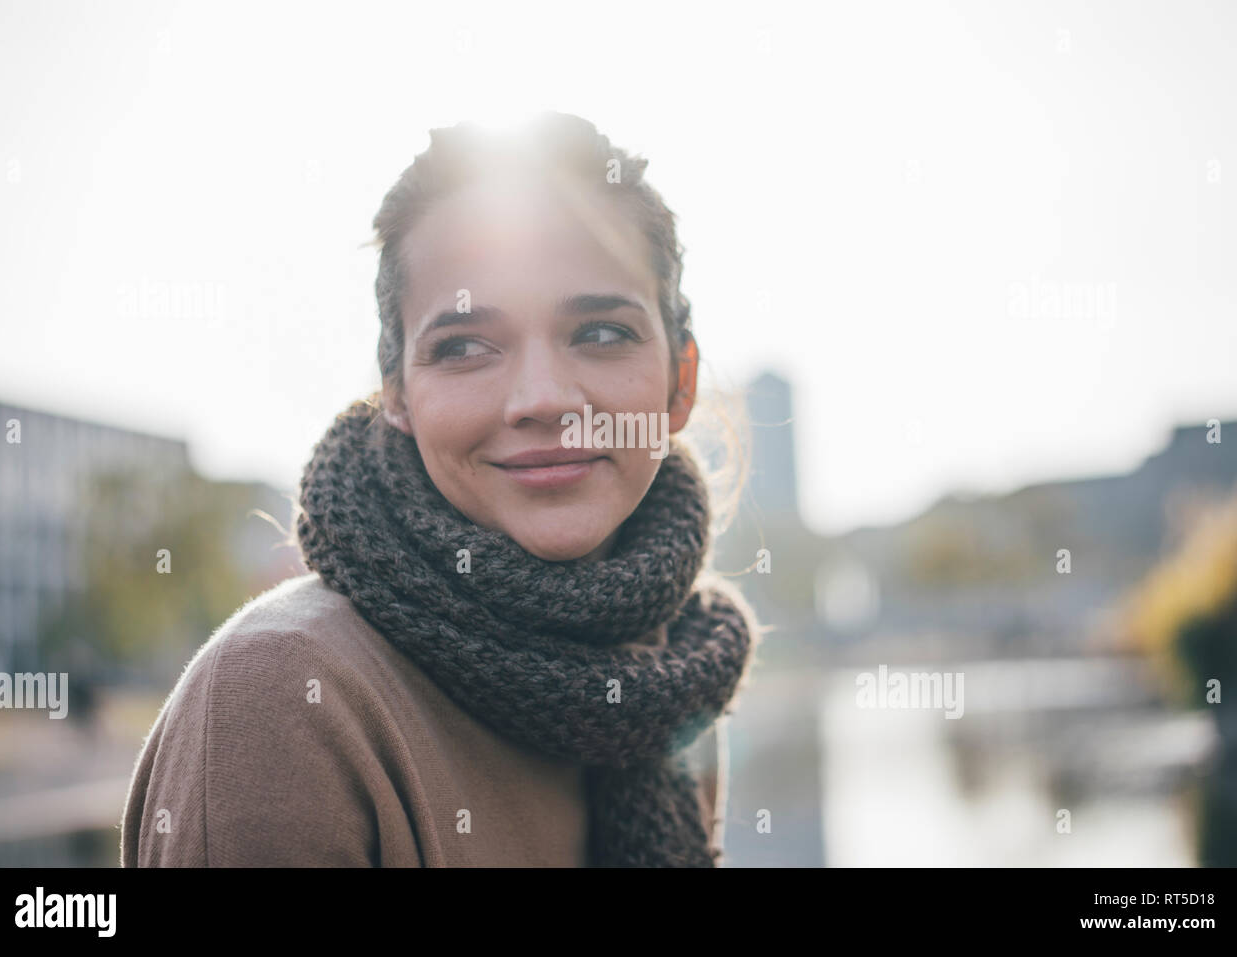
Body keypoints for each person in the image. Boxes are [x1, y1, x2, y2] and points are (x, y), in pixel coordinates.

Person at [120, 112, 760, 867]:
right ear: (397, 395)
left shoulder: (671, 678)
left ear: (679, 383)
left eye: (600, 332)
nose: (541, 398)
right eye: (462, 346)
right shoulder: (280, 698)